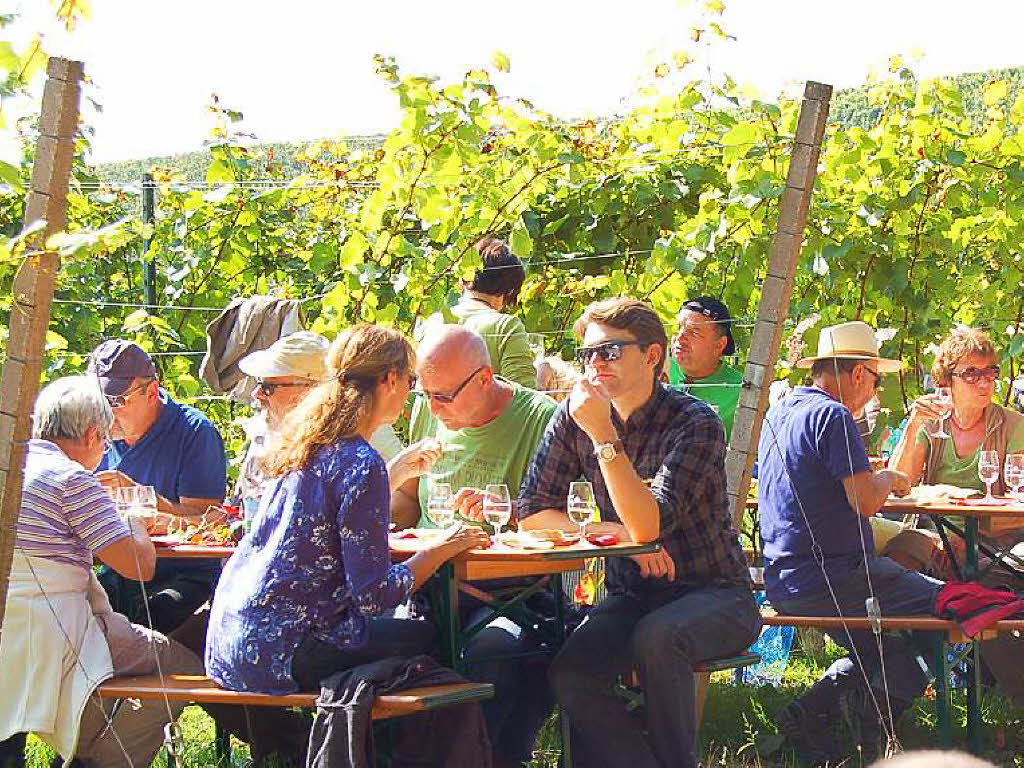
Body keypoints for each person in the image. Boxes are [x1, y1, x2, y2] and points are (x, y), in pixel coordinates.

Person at [518, 297, 760, 768]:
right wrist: (617, 538)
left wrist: (605, 439)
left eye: (609, 351)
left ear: (652, 356)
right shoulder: (575, 417)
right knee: (571, 672)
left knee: (658, 637)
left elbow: (651, 524)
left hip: (717, 593)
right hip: (633, 594)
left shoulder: (694, 421)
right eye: (588, 354)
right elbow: (531, 512)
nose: (594, 364)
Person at [205, 325, 488, 698]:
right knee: (439, 637)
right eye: (410, 379)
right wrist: (440, 549)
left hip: (228, 644)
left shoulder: (303, 444)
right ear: (389, 380)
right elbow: (374, 595)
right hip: (285, 652)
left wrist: (397, 470)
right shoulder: (361, 461)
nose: (412, 392)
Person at [757, 320, 941, 764]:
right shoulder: (834, 415)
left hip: (785, 579)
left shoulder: (781, 410)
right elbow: (864, 501)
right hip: (833, 578)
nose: (874, 391)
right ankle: (877, 719)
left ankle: (808, 714)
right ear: (859, 373)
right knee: (948, 606)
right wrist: (888, 477)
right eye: (876, 379)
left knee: (885, 647)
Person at [0, 376, 201, 768]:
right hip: (57, 631)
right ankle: (97, 759)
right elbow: (139, 566)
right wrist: (134, 520)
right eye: (105, 442)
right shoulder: (73, 479)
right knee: (184, 670)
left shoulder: (9, 469)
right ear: (93, 434)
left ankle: (86, 745)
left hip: (10, 628)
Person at [391, 325, 559, 768]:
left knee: (492, 652)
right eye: (424, 395)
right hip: (426, 583)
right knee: (371, 643)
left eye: (443, 397)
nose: (433, 408)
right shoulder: (432, 410)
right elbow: (408, 504)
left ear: (485, 379)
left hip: (508, 592)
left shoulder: (539, 419)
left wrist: (507, 511)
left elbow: (566, 520)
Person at [886, 327, 1024, 709]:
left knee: (992, 583)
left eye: (991, 372)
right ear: (946, 380)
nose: (985, 382)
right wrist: (914, 425)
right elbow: (898, 486)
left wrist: (968, 532)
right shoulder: (932, 423)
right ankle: (892, 677)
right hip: (934, 532)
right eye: (972, 373)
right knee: (898, 561)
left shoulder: (1012, 425)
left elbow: (1018, 499)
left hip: (995, 538)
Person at [88, 339, 227, 634]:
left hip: (184, 573)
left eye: (115, 402)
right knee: (77, 613)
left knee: (151, 617)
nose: (105, 414)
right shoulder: (96, 435)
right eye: (97, 402)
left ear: (150, 391)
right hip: (122, 569)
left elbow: (210, 524)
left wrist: (141, 496)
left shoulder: (194, 432)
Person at [234, 331, 405, 511]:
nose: (257, 394)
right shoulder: (268, 430)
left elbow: (404, 498)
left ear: (311, 389)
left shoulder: (362, 430)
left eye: (268, 387)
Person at [450, 237, 538, 388]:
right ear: (510, 290)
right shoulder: (506, 327)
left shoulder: (432, 323)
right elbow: (524, 400)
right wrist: (543, 374)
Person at [669, 296, 744, 438]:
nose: (680, 337)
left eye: (693, 332)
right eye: (678, 328)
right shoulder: (655, 371)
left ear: (719, 345)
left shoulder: (742, 393)